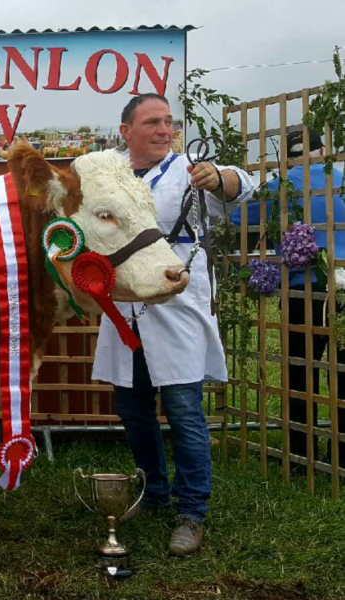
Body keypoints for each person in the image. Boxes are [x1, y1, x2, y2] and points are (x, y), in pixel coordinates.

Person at [92, 93, 255, 556]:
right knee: (133, 406)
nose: (165, 130)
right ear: (126, 131)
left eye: (169, 122)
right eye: (153, 123)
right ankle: (155, 490)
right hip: (124, 302)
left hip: (176, 296)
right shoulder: (112, 174)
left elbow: (243, 185)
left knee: (184, 409)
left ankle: (191, 511)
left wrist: (218, 177)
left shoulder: (188, 170)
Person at [231, 130, 345, 464]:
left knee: (300, 372)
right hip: (344, 288)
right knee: (342, 373)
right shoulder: (338, 181)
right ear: (323, 150)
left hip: (301, 291)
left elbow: (238, 221)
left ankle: (300, 452)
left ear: (288, 155)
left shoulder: (279, 186)